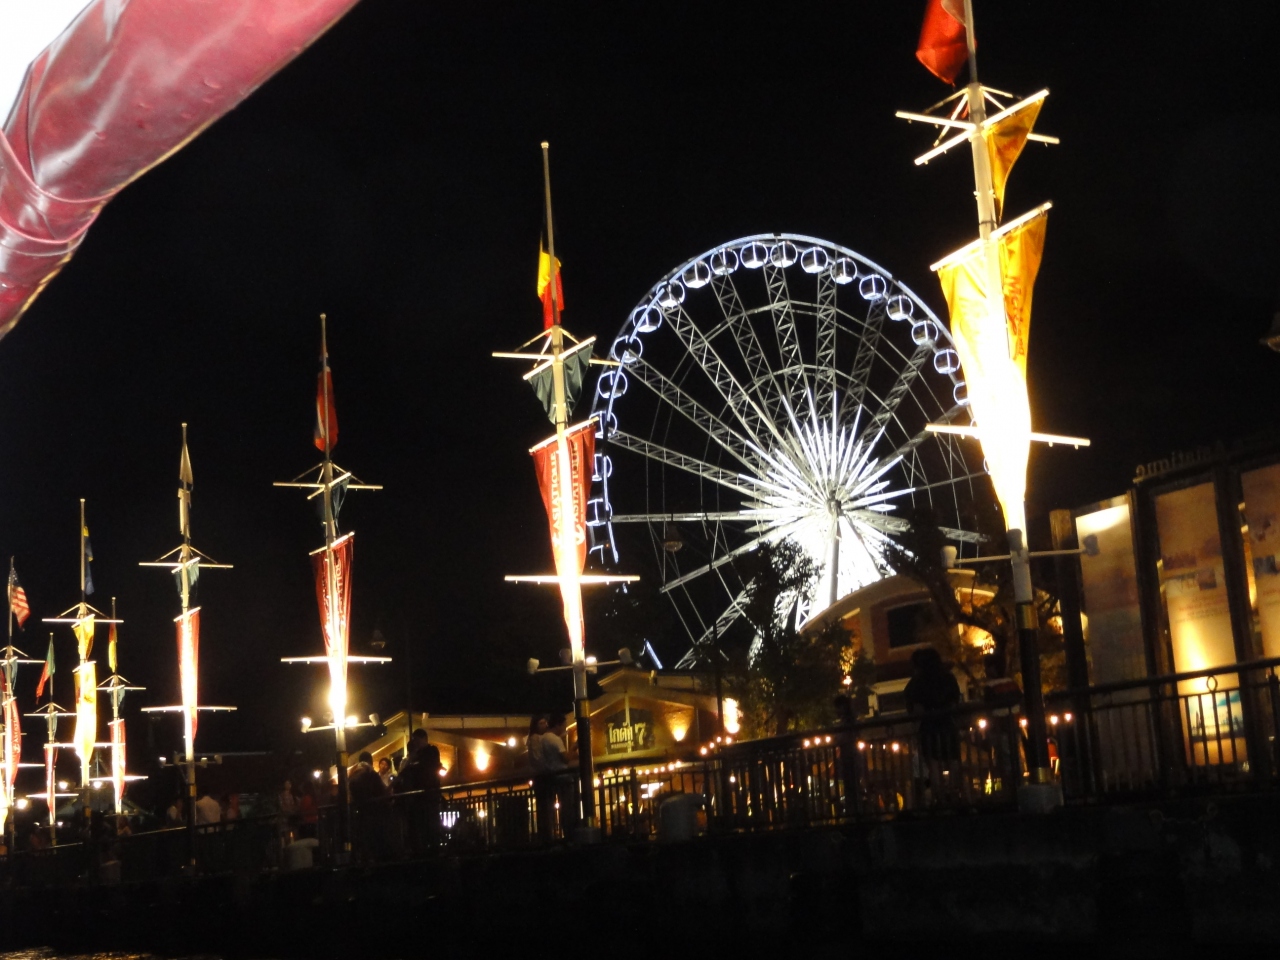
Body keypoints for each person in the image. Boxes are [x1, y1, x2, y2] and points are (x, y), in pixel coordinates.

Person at [904, 646, 968, 807]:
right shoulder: (948, 677)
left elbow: (915, 708)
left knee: (933, 765)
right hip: (947, 723)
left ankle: (940, 799)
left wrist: (916, 725)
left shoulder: (917, 683)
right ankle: (955, 795)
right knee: (953, 760)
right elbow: (955, 701)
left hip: (928, 726)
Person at [542, 715, 577, 835]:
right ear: (558, 725)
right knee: (568, 807)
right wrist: (574, 748)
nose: (565, 728)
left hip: (551, 776)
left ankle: (560, 832)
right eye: (564, 725)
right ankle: (570, 833)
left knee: (559, 808)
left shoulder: (544, 738)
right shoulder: (555, 740)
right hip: (563, 777)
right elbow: (566, 759)